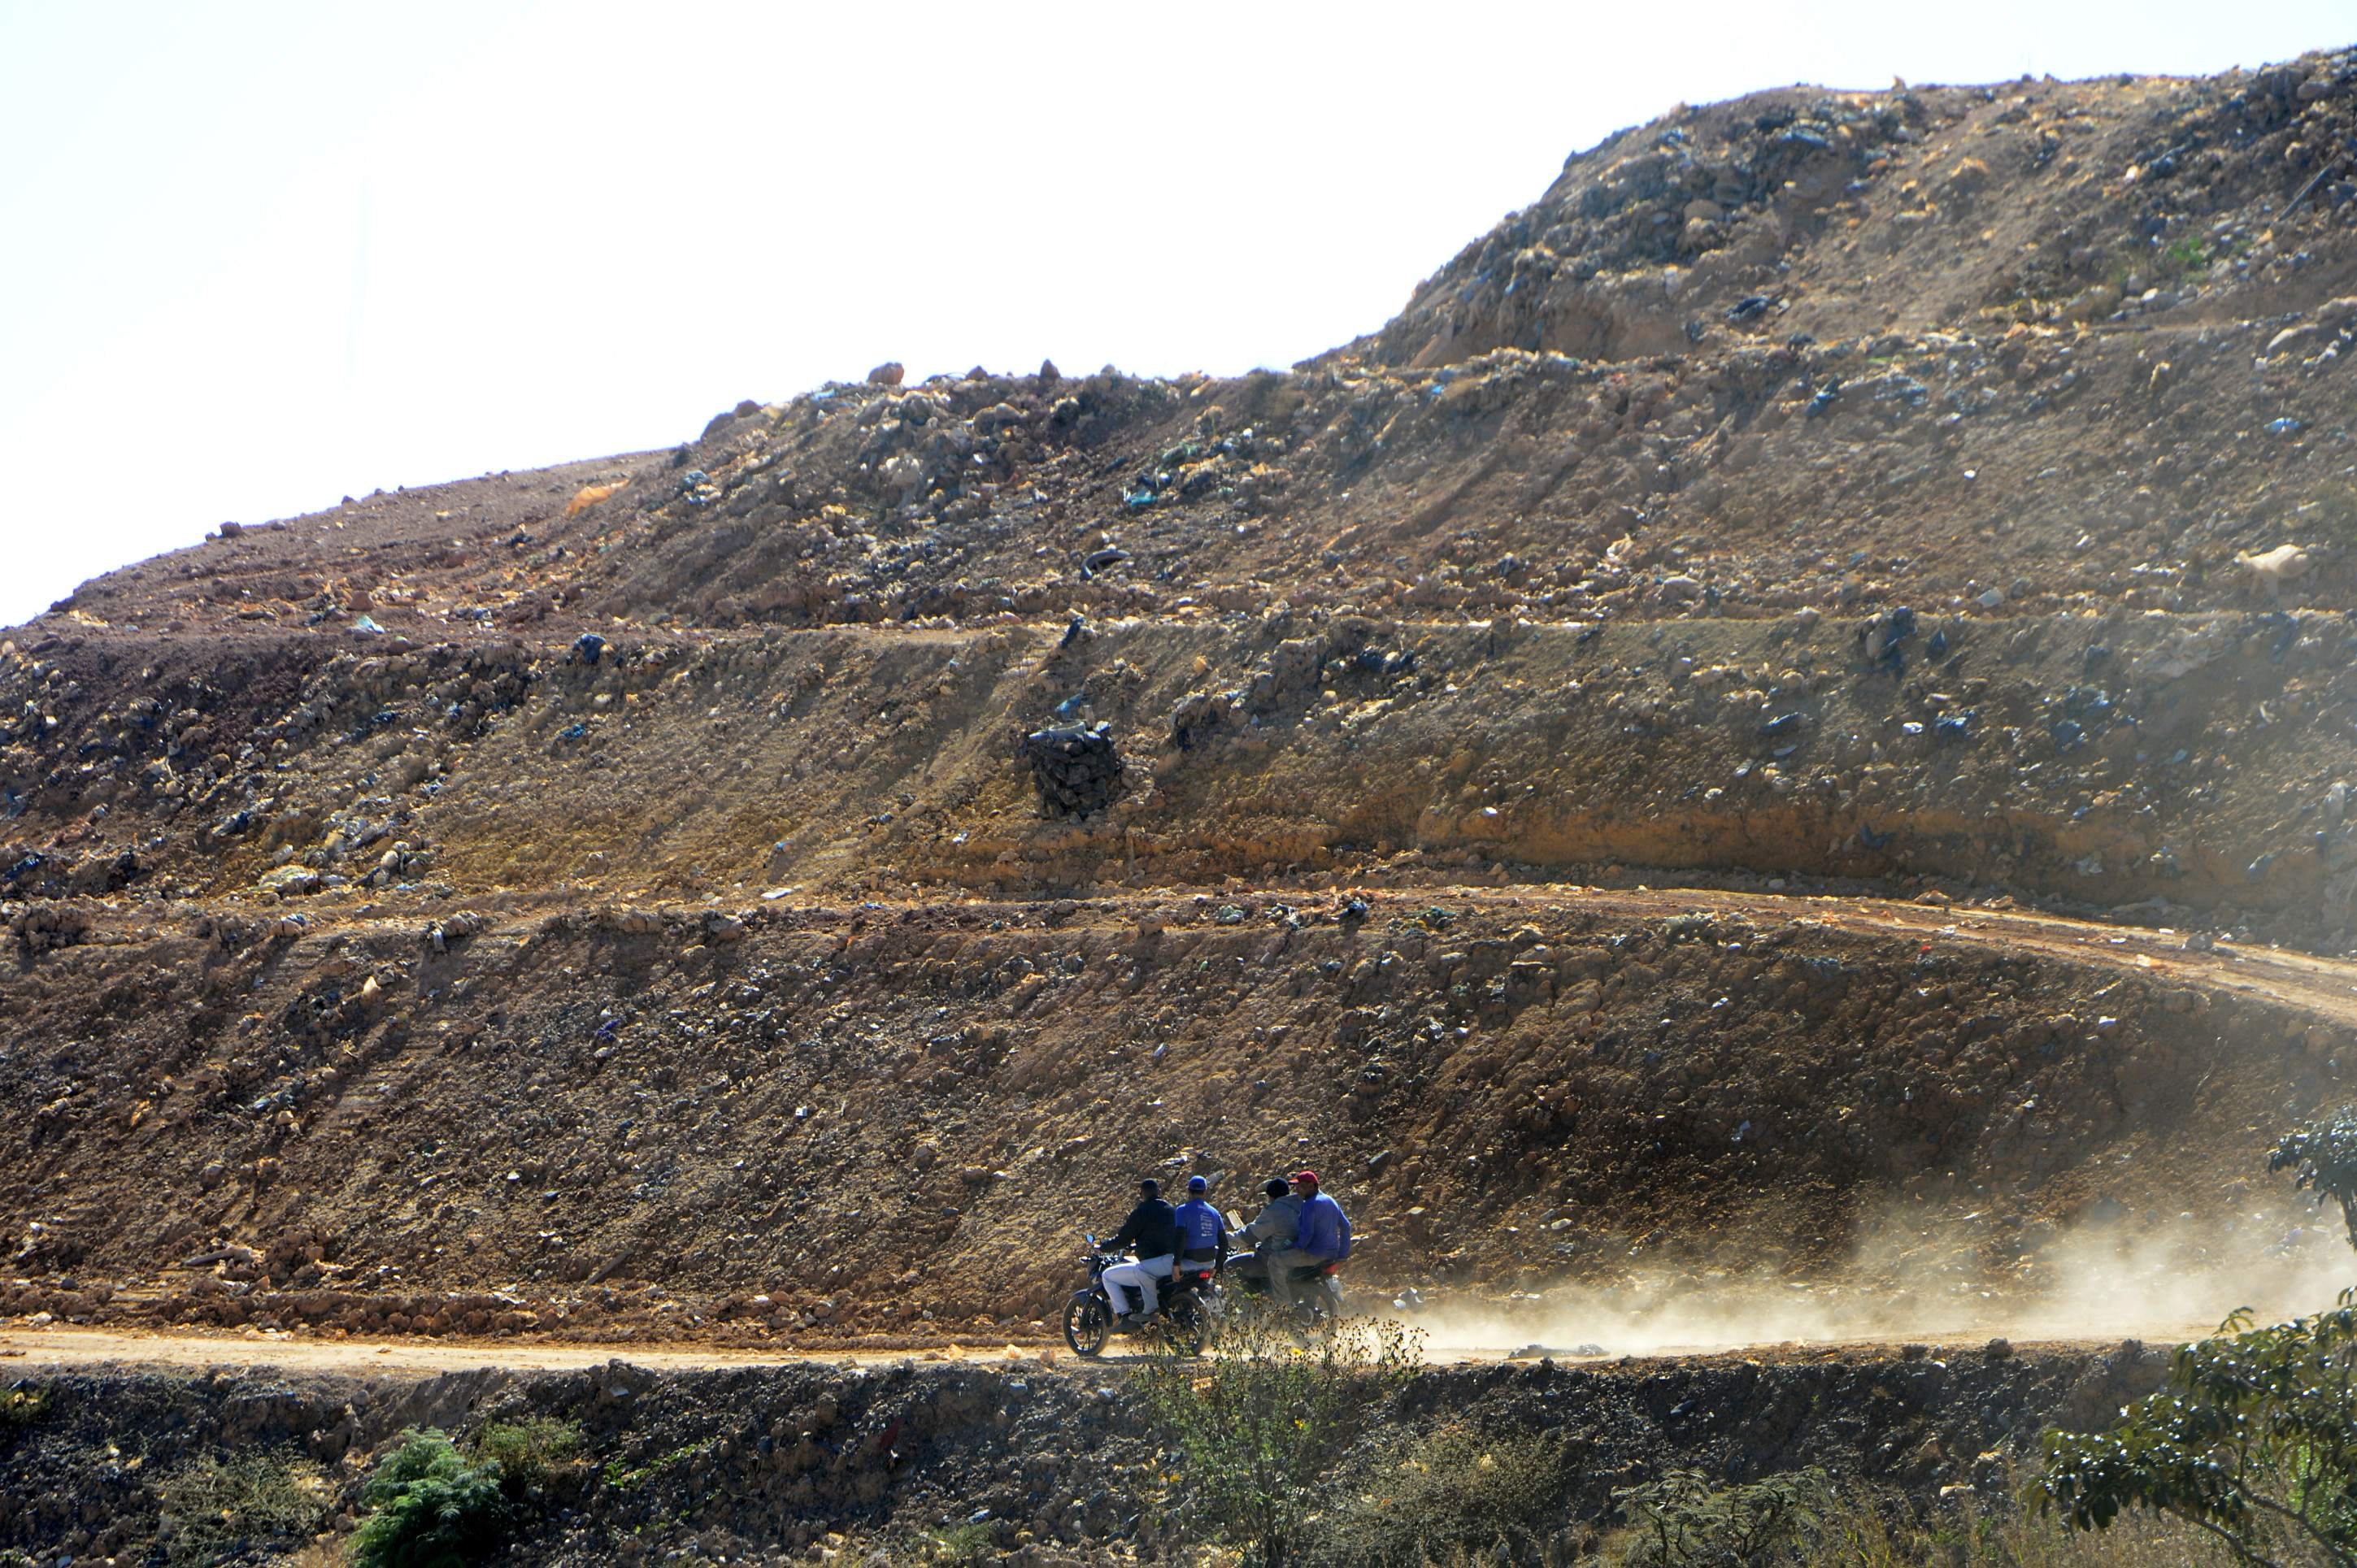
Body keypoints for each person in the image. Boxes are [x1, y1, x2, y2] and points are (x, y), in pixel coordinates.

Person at [1100, 1177, 1180, 1325]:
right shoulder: (1172, 1210)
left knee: (1108, 1276)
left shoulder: (1141, 1212)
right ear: (1159, 1192)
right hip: (1173, 1262)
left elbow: (1122, 1239)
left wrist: (1104, 1246)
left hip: (1152, 1265)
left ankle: (1125, 1316)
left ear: (1142, 1194)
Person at [1276, 1170, 1350, 1314]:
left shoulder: (1309, 1204)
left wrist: (1295, 1246)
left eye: (1299, 1186)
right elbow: (1346, 1226)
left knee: (1275, 1260)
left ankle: (1284, 1307)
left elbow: (1307, 1234)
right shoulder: (1331, 1201)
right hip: (1331, 1256)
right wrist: (1343, 1254)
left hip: (1313, 1254)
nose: (1296, 1190)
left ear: (1311, 1186)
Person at [1173, 1175, 1225, 1279]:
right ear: (1205, 1191)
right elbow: (1224, 1243)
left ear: (1189, 1191)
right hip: (1209, 1264)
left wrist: (1176, 1265)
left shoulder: (1182, 1210)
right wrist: (1216, 1267)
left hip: (1188, 1263)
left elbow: (1181, 1239)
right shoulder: (1215, 1213)